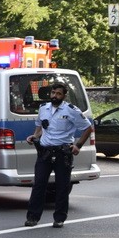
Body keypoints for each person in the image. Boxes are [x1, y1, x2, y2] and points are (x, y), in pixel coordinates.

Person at [24, 82, 94, 228]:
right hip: (45, 152)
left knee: (62, 186)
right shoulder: (43, 109)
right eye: (53, 93)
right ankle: (32, 217)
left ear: (64, 95)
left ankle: (59, 218)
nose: (55, 96)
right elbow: (40, 127)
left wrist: (78, 145)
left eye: (58, 94)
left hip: (63, 153)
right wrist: (34, 136)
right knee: (39, 185)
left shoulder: (71, 110)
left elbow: (88, 128)